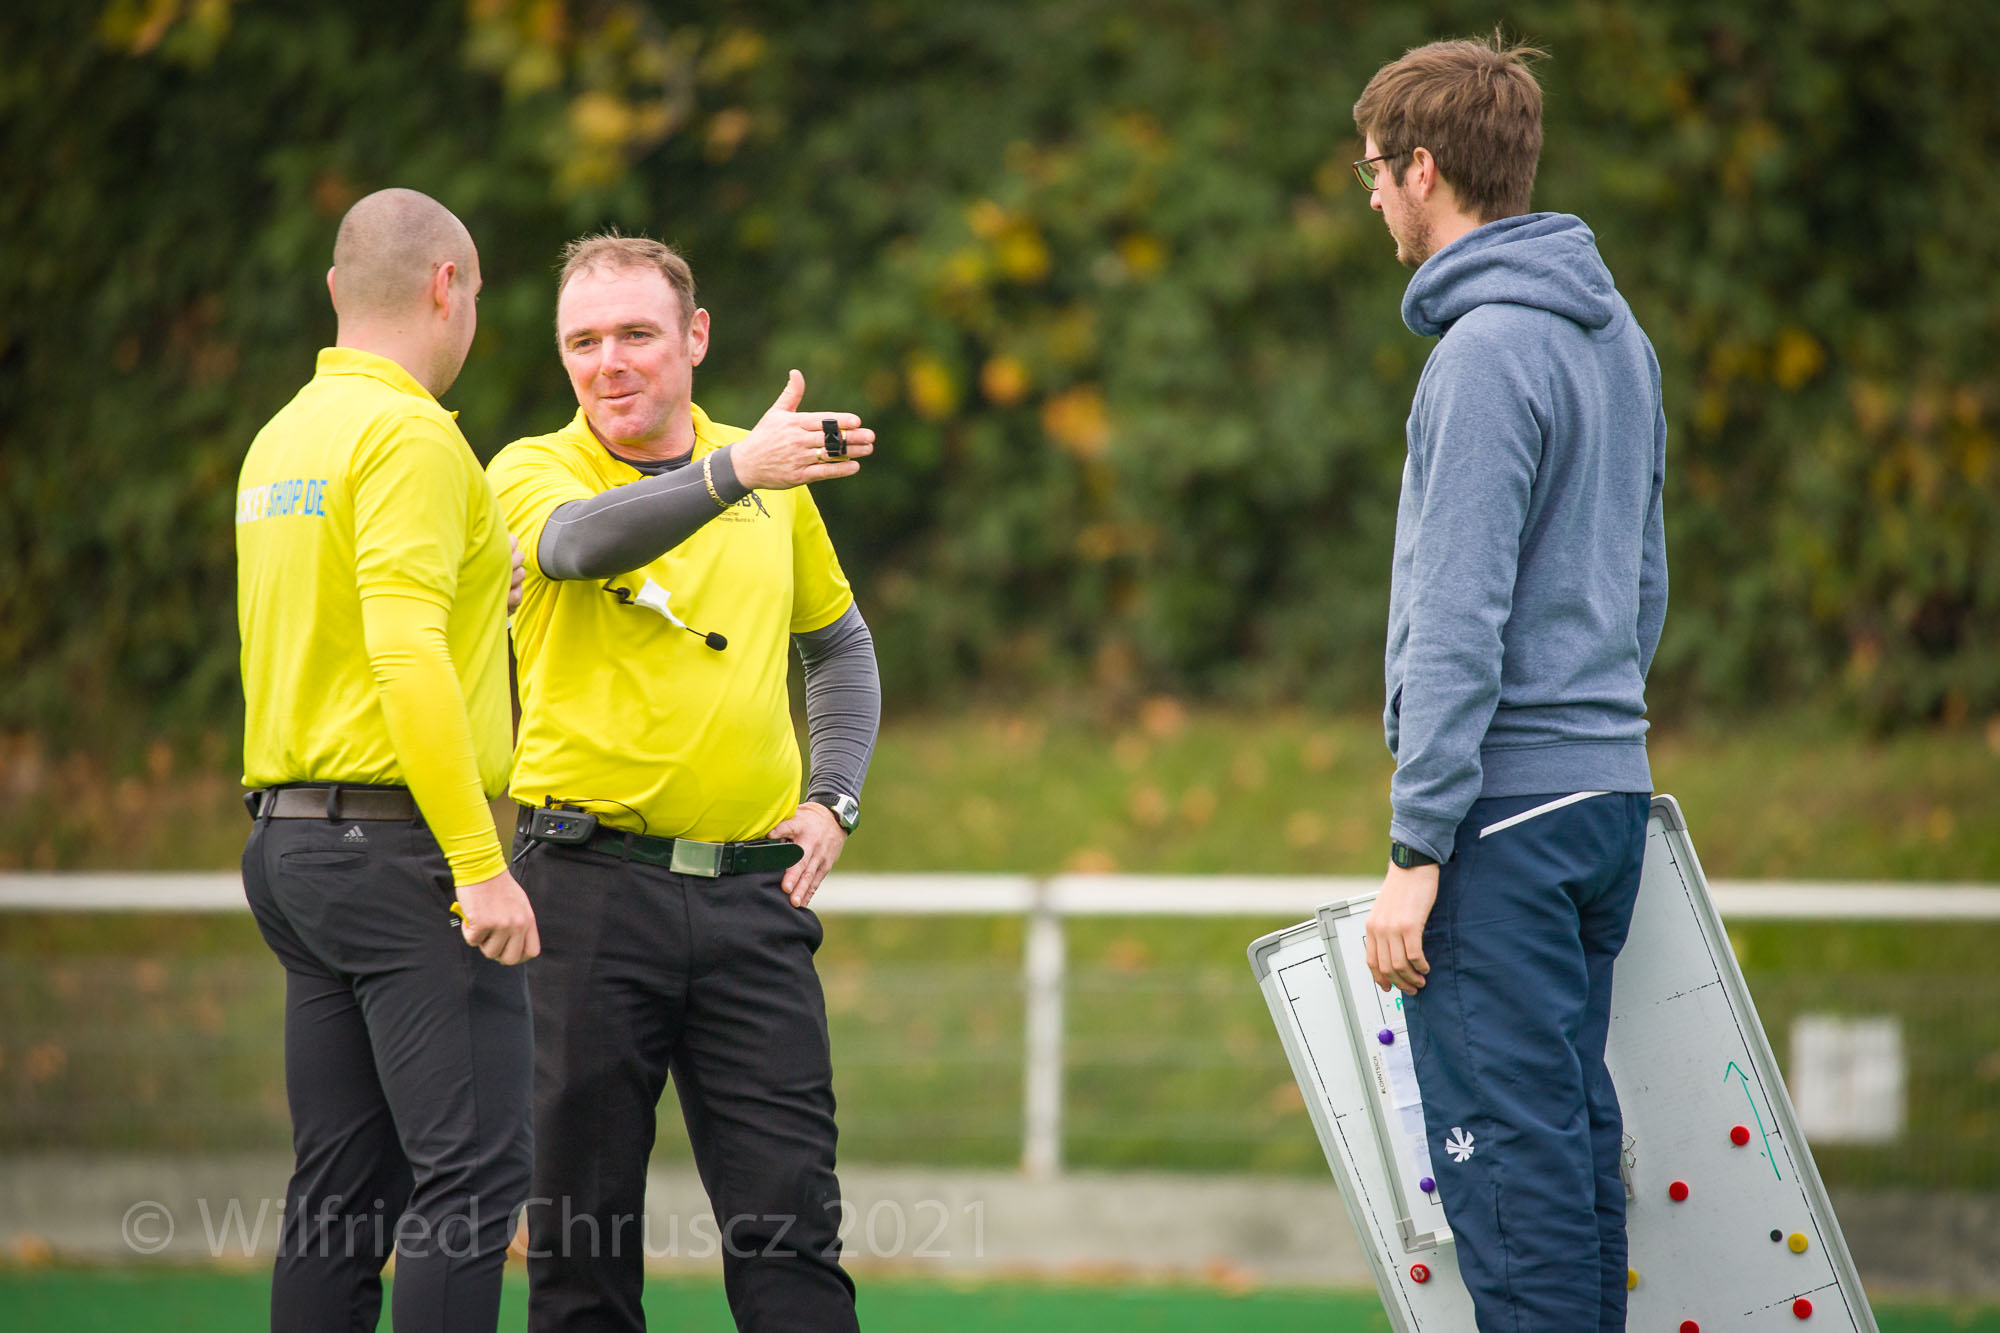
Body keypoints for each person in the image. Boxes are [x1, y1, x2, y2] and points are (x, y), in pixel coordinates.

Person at [487, 233, 881, 1333]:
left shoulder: (765, 474)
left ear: (695, 337)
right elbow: (577, 547)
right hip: (582, 893)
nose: (607, 362)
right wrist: (735, 472)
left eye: (636, 334)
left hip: (753, 898)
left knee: (794, 1241)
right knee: (580, 1253)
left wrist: (834, 795)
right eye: (582, 341)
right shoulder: (532, 468)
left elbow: (839, 647)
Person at [1351, 36, 1669, 1332]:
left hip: (1504, 819)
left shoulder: (1482, 354)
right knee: (1570, 1150)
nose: (1373, 198)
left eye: (1374, 173)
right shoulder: (1618, 338)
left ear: (1423, 170)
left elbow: (1456, 618)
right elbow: (1643, 583)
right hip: (1603, 800)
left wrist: (1417, 846)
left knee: (1509, 1173)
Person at [234, 188, 539, 1332]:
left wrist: (482, 584)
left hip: (292, 849)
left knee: (341, 1194)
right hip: (396, 854)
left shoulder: (283, 438)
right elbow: (402, 651)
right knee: (472, 1182)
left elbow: (341, 626)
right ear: (447, 287)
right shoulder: (412, 436)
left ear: (334, 289)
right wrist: (478, 863)